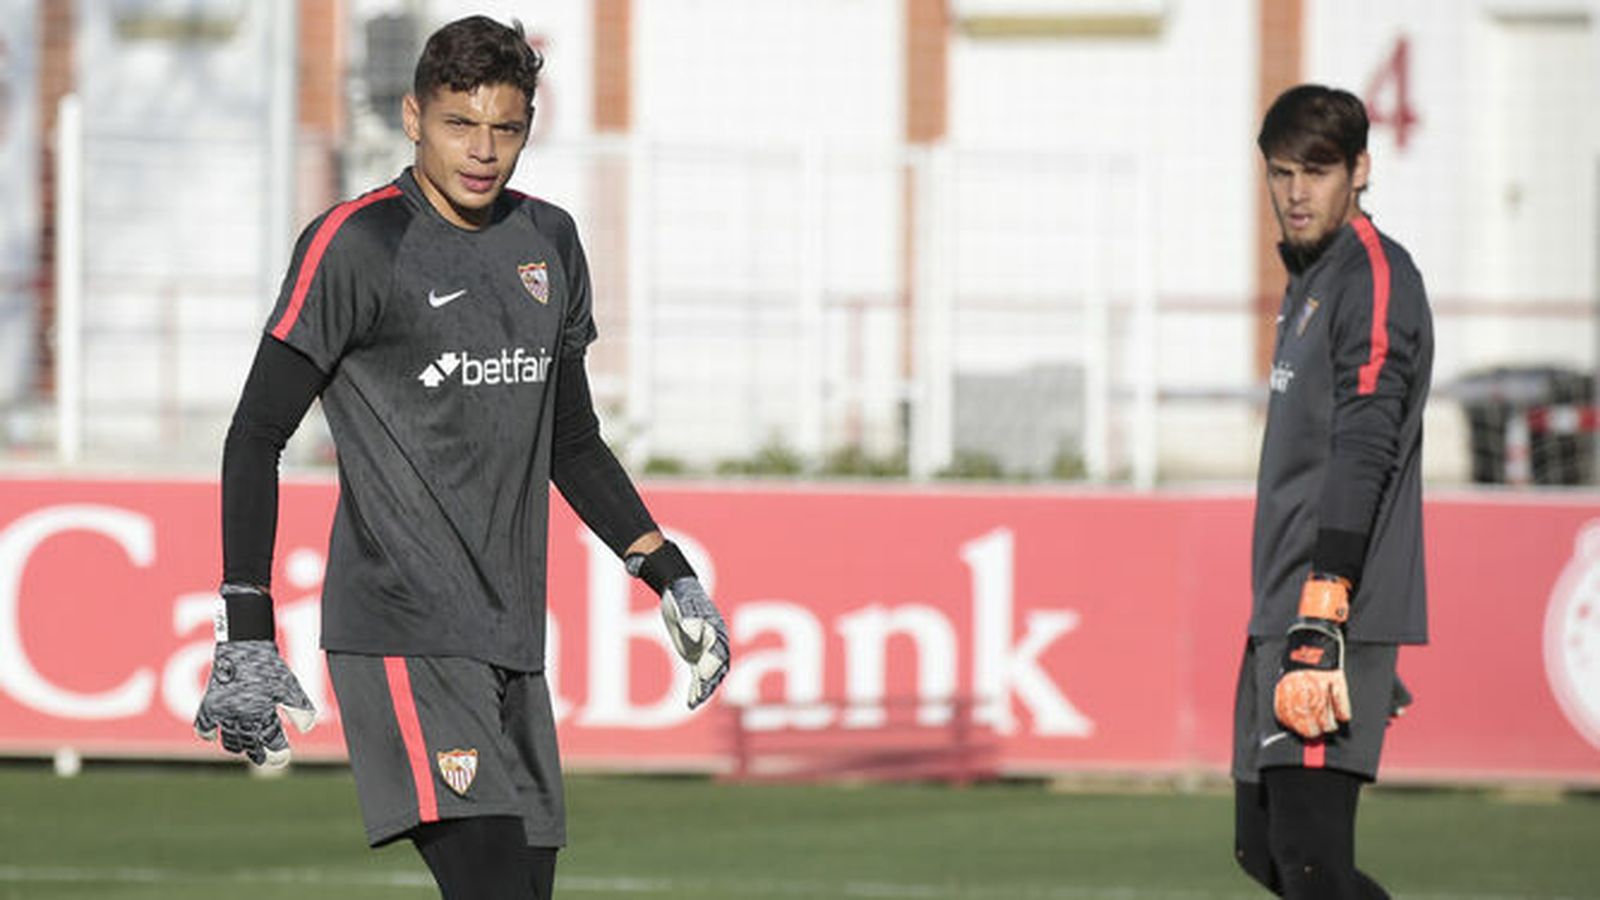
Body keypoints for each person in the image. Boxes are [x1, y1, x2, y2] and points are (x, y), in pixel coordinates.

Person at [191, 16, 730, 899]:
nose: (482, 151)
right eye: (459, 124)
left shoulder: (549, 243)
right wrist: (247, 631)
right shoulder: (357, 245)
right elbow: (254, 435)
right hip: (401, 630)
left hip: (511, 642)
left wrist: (667, 570)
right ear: (413, 117)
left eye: (505, 129)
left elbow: (572, 439)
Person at [1231, 84, 1432, 898]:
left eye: (1317, 172)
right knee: (1266, 853)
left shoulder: (1374, 278)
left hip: (1321, 612)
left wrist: (1334, 604)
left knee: (1312, 866)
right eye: (1281, 174)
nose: (1296, 192)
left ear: (1360, 170)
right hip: (1280, 611)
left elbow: (1365, 445)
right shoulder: (1310, 279)